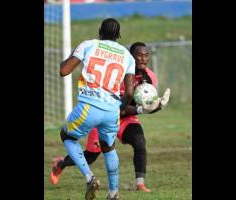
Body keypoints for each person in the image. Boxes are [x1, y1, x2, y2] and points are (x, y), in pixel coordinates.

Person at [51, 42, 171, 195]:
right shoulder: (122, 74)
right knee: (90, 156)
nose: (143, 59)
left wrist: (157, 106)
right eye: (139, 55)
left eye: (146, 55)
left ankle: (140, 183)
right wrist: (141, 109)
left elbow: (146, 107)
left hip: (127, 120)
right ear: (131, 56)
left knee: (140, 142)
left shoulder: (150, 77)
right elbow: (118, 107)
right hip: (106, 117)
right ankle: (61, 164)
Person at [51, 18, 136, 200]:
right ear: (119, 36)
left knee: (67, 136)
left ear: (99, 31)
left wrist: (75, 53)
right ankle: (113, 193)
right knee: (109, 147)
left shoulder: (89, 45)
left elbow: (64, 70)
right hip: (112, 109)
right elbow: (129, 92)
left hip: (89, 106)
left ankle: (89, 177)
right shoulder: (127, 56)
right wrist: (119, 108)